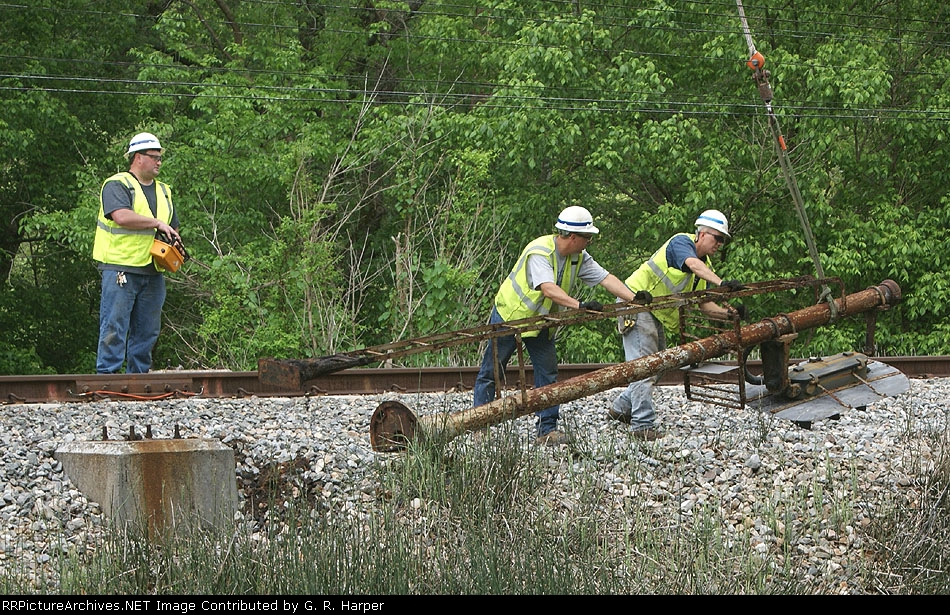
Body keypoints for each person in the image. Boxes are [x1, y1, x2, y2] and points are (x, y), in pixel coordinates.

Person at [473, 206, 640, 446]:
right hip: (511, 316)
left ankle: (546, 430)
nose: (588, 243)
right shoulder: (540, 251)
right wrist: (579, 305)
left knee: (548, 374)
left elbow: (605, 278)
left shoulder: (577, 257)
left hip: (541, 323)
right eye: (587, 238)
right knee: (492, 371)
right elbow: (548, 288)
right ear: (573, 237)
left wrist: (633, 298)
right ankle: (479, 426)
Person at [609, 209, 745, 440]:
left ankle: (622, 407)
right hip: (635, 302)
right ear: (702, 234)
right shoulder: (681, 243)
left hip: (654, 312)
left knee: (659, 365)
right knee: (646, 365)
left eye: (723, 240)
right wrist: (722, 283)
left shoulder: (704, 264)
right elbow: (692, 264)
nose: (720, 244)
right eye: (717, 238)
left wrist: (729, 315)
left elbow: (704, 304)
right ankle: (642, 425)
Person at [93, 132, 181, 374]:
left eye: (160, 157)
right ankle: (108, 378)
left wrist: (173, 239)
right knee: (114, 327)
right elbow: (121, 216)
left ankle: (139, 379)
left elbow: (172, 224)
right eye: (154, 157)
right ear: (138, 158)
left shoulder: (164, 191)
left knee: (148, 330)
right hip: (120, 268)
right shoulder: (118, 184)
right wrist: (156, 224)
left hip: (153, 270)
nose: (159, 162)